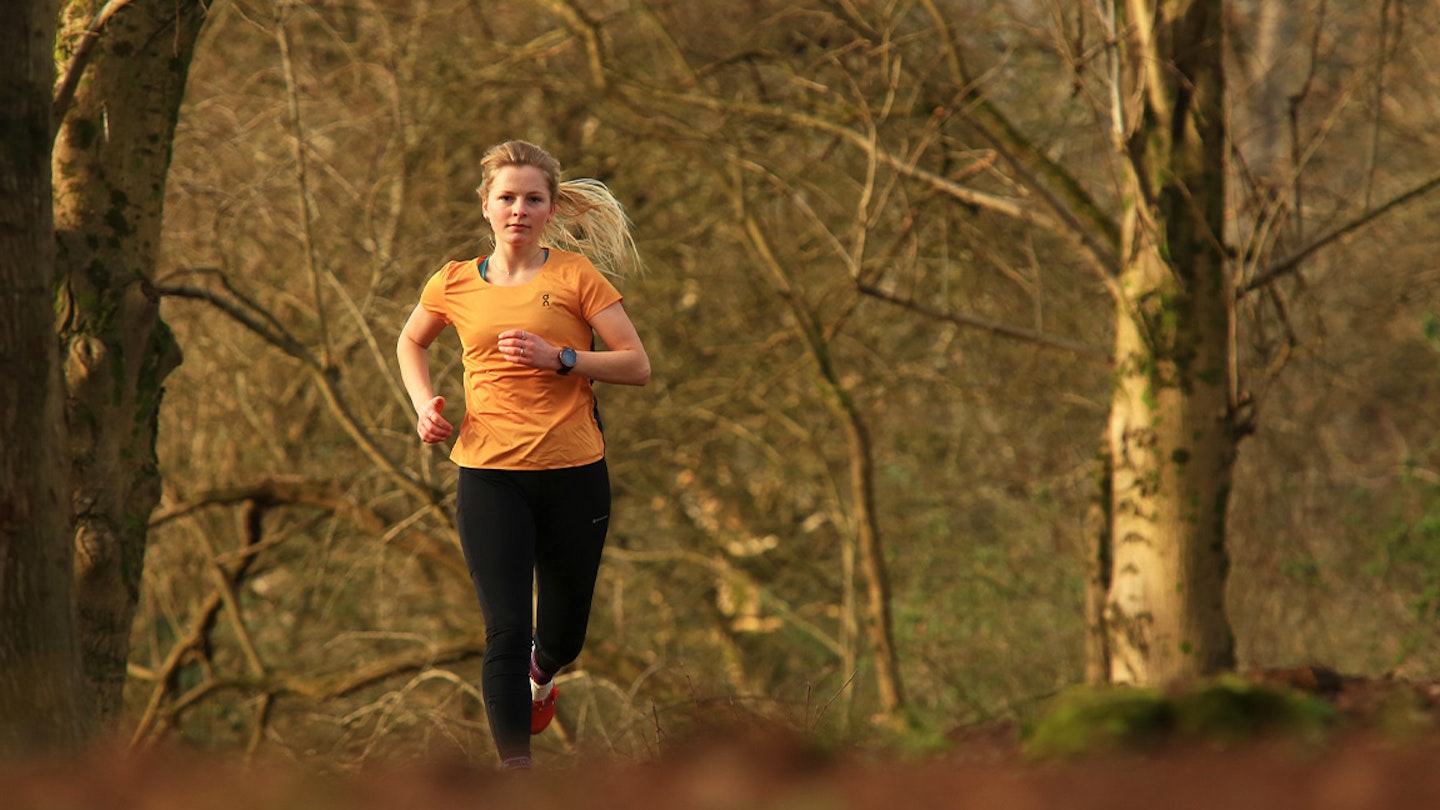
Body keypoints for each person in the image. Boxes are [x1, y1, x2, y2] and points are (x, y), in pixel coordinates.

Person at [396, 140, 650, 771]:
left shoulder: (576, 278)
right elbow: (410, 340)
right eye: (506, 198)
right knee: (505, 630)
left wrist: (561, 358)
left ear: (550, 208)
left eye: (532, 199)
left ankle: (545, 673)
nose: (518, 209)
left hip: (573, 477)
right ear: (485, 207)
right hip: (489, 475)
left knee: (561, 635)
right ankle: (517, 774)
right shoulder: (453, 282)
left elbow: (636, 365)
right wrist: (425, 405)